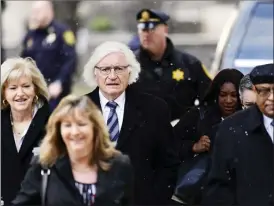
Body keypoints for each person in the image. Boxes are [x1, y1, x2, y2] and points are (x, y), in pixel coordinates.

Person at [83, 41, 179, 205]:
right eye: (105, 69)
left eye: (119, 69)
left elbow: (168, 164)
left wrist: (155, 200)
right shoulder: (79, 110)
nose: (112, 76)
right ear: (95, 73)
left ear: (130, 72)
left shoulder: (154, 109)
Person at [12, 95, 134, 206]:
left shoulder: (120, 165)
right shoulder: (44, 164)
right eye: (68, 125)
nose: (75, 132)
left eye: (81, 124)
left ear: (95, 128)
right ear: (58, 130)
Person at [202, 63, 274, 205]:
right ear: (255, 91)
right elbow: (220, 186)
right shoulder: (232, 128)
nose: (271, 98)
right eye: (265, 91)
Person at [131, 9, 212, 120]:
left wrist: (193, 122)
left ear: (165, 30)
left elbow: (211, 100)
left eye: (151, 28)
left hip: (181, 134)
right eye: (142, 29)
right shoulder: (128, 65)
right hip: (141, 133)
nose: (146, 34)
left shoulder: (189, 63)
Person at [1, 57, 50, 205]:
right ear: (4, 93)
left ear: (35, 88)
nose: (20, 93)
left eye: (26, 86)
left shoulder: (52, 123)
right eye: (13, 88)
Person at [21, 0, 77, 111]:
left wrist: (59, 82)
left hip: (56, 91)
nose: (34, 14)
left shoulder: (63, 32)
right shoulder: (31, 34)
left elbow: (70, 60)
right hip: (35, 89)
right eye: (33, 11)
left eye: (38, 11)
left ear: (49, 11)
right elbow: (24, 59)